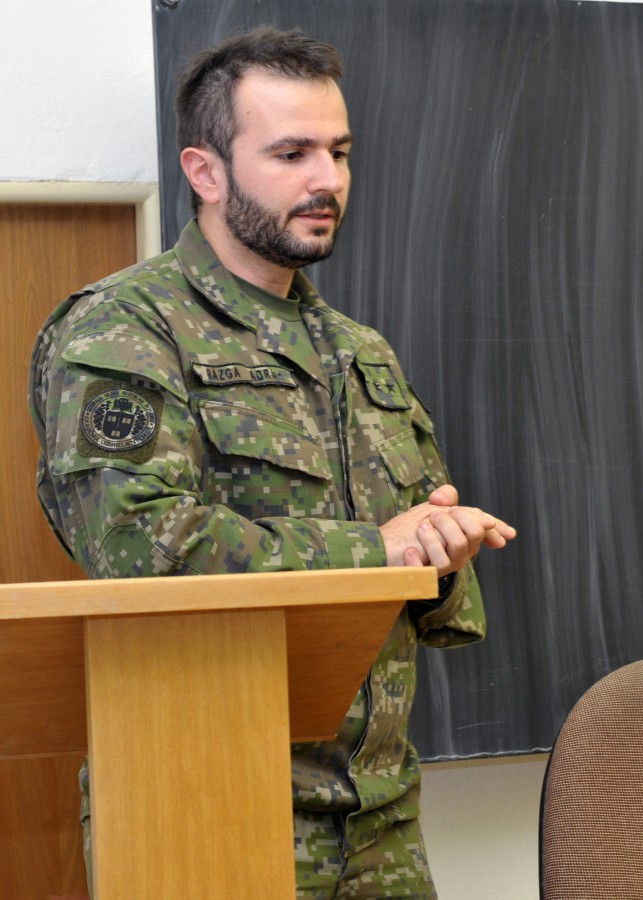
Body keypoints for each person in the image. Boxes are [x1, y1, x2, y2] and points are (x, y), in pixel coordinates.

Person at [29, 26, 515, 899]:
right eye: (291, 154)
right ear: (205, 172)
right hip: (202, 805)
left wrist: (439, 552)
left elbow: (418, 576)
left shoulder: (359, 350)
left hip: (379, 818)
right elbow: (138, 546)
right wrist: (377, 548)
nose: (326, 180)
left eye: (338, 151)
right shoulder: (125, 329)